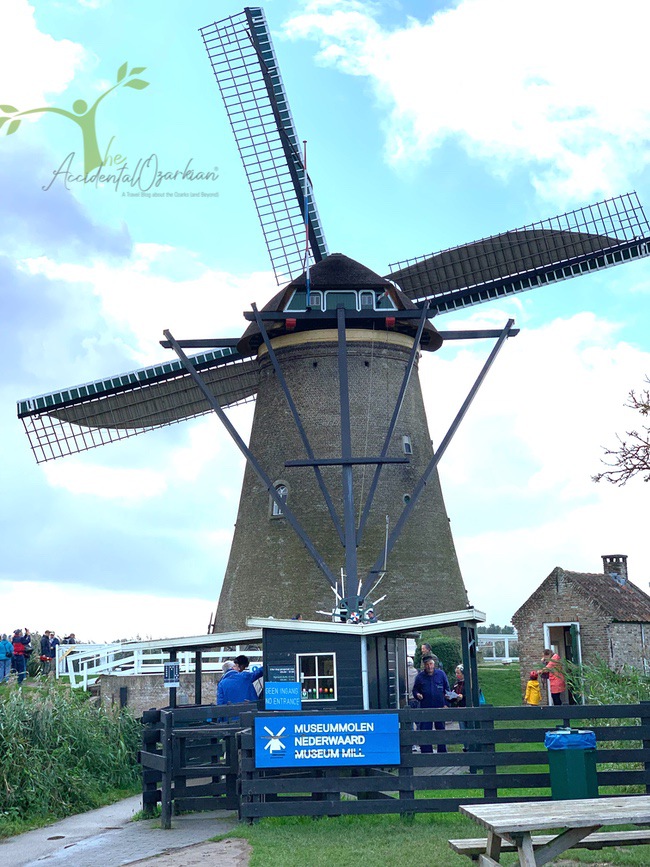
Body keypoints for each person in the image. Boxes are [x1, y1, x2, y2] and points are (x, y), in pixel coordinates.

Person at [413, 654, 450, 753]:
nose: (429, 667)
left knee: (441, 730)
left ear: (434, 664)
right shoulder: (420, 677)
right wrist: (418, 695)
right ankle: (426, 752)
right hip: (425, 708)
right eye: (427, 665)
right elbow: (415, 690)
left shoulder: (441, 674)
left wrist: (446, 704)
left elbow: (447, 690)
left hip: (439, 707)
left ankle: (442, 752)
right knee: (426, 730)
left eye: (430, 664)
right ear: (424, 666)